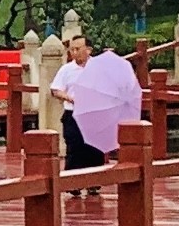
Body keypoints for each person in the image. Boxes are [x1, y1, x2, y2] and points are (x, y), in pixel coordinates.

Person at [57, 28, 144, 169]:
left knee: (94, 148)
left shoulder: (99, 67)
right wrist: (69, 97)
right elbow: (56, 90)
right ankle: (73, 183)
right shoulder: (66, 69)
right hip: (72, 113)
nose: (74, 52)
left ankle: (94, 181)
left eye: (78, 49)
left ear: (89, 50)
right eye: (72, 49)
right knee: (74, 147)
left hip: (95, 112)